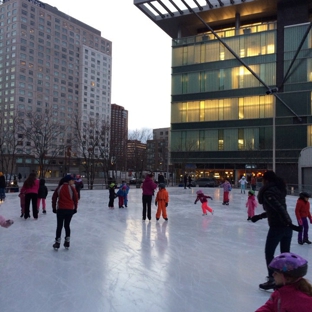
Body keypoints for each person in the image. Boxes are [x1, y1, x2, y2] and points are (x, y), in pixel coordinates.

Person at [251, 171, 302, 290]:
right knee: (285, 255)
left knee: (269, 253)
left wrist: (290, 224)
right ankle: (286, 279)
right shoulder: (278, 190)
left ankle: (272, 278)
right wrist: (259, 217)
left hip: (278, 227)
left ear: (266, 180)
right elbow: (274, 210)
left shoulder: (268, 192)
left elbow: (279, 210)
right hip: (286, 228)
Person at [52, 175, 78, 250]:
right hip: (70, 209)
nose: (73, 182)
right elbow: (75, 199)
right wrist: (75, 208)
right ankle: (67, 242)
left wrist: (53, 207)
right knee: (67, 225)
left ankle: (57, 243)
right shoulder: (72, 188)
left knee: (59, 226)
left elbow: (54, 198)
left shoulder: (59, 187)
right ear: (68, 181)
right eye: (72, 180)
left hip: (61, 209)